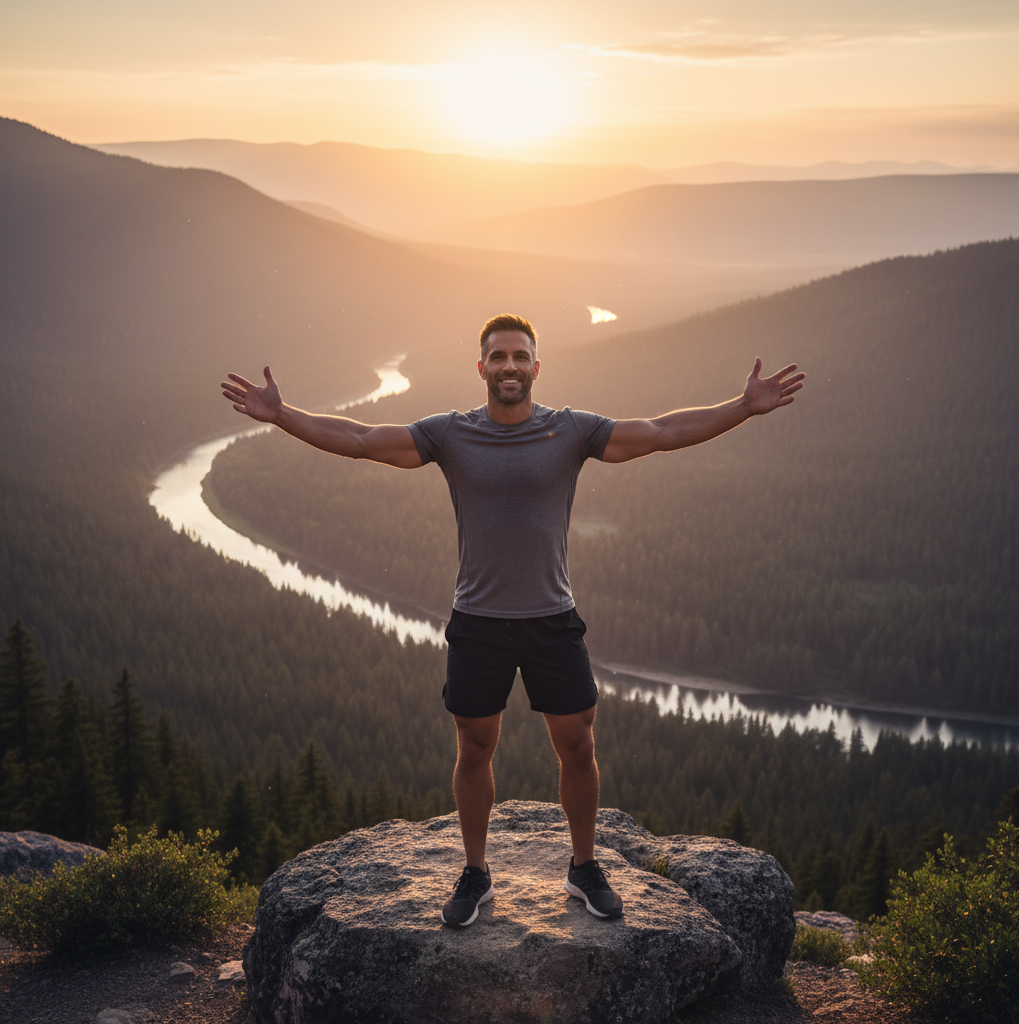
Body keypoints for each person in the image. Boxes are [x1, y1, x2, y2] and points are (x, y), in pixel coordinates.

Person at [220, 313, 805, 928]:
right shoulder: (450, 435)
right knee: (474, 748)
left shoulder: (571, 430)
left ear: (535, 366)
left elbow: (659, 431)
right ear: (481, 368)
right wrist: (283, 416)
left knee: (577, 744)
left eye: (519, 357)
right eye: (497, 357)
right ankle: (475, 873)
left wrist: (743, 407)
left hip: (552, 619)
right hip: (478, 622)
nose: (508, 367)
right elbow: (364, 438)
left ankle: (583, 868)